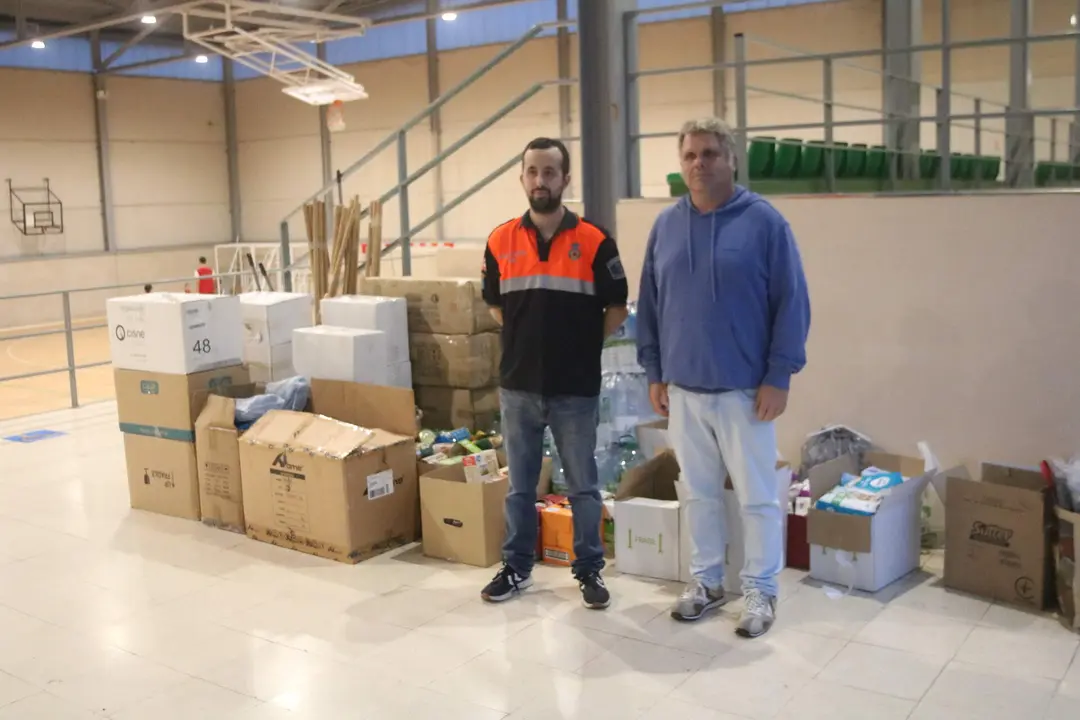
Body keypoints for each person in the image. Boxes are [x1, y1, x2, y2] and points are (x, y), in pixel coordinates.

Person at [636, 117, 810, 638]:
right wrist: (655, 370)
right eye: (690, 155)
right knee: (699, 494)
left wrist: (779, 374)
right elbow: (649, 303)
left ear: (731, 159)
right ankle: (707, 583)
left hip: (745, 391)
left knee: (757, 496)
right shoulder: (666, 226)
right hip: (684, 389)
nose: (699, 164)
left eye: (710, 153)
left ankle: (761, 589)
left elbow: (792, 303)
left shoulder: (765, 224)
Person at [481, 137, 629, 610]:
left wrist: (583, 345)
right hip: (518, 388)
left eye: (550, 172)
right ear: (522, 177)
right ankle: (516, 566)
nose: (540, 181)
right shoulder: (499, 240)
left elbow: (618, 305)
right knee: (520, 488)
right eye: (532, 172)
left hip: (574, 390)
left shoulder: (595, 240)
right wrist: (529, 344)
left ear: (566, 179)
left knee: (583, 487)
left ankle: (588, 570)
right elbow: (494, 304)